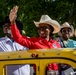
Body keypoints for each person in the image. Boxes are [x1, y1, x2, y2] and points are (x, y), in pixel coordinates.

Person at [9, 6, 61, 75]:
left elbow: (61, 62)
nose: (41, 30)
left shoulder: (56, 43)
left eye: (45, 27)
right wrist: (12, 22)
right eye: (39, 28)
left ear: (50, 30)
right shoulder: (34, 42)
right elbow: (18, 38)